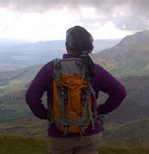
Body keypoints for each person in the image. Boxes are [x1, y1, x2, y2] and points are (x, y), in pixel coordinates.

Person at [25, 25, 126, 154]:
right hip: (89, 135)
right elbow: (120, 92)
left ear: (67, 46)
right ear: (88, 47)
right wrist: (98, 111)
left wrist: (47, 115)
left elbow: (31, 97)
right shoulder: (95, 70)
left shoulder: (51, 69)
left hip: (59, 136)